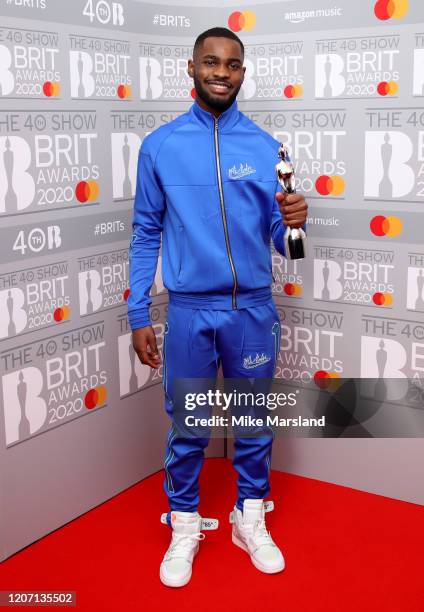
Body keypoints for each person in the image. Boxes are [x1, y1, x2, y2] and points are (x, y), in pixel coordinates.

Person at [127, 26, 308, 587]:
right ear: (191, 68)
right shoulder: (160, 145)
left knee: (253, 423)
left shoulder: (265, 147)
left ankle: (248, 517)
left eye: (232, 65)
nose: (221, 73)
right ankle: (184, 522)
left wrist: (295, 223)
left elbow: (281, 241)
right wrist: (138, 315)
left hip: (252, 310)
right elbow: (144, 233)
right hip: (188, 312)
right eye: (210, 62)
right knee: (189, 425)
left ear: (243, 73)